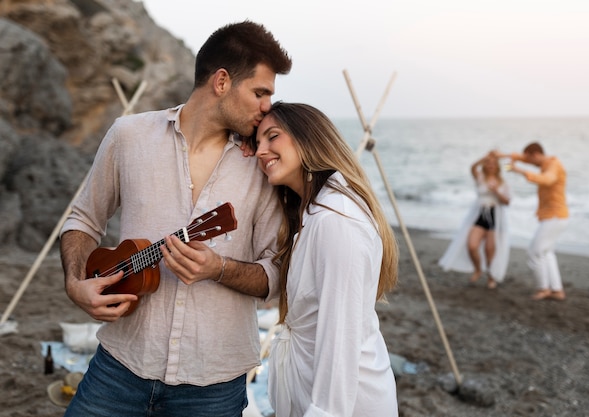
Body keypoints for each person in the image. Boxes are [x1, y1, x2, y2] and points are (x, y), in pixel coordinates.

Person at [59, 21, 292, 417]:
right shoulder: (128, 136)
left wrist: (219, 268)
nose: (266, 106)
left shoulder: (263, 164)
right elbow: (82, 218)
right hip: (119, 365)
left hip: (213, 386)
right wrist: (74, 283)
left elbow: (275, 275)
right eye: (259, 92)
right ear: (221, 81)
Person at [253, 102, 399, 417]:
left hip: (342, 403)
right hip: (312, 393)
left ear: (308, 139)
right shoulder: (311, 212)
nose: (260, 151)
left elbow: (340, 341)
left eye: (272, 137)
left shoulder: (337, 220)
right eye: (257, 142)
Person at [496, 142, 569, 300]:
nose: (529, 162)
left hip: (554, 215)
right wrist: (502, 155)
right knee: (546, 252)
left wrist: (519, 170)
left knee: (534, 252)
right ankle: (556, 290)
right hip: (553, 216)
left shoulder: (553, 165)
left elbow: (547, 180)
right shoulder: (545, 162)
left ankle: (543, 288)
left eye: (530, 158)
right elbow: (523, 157)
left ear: (536, 154)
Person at [439, 152, 511, 289]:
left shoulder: (503, 183)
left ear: (497, 167)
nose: (490, 166)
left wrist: (496, 191)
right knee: (472, 245)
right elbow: (472, 168)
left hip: (495, 216)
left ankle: (490, 276)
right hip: (480, 214)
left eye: (493, 164)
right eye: (488, 163)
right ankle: (478, 269)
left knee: (490, 250)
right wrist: (486, 157)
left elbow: (507, 202)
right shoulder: (480, 178)